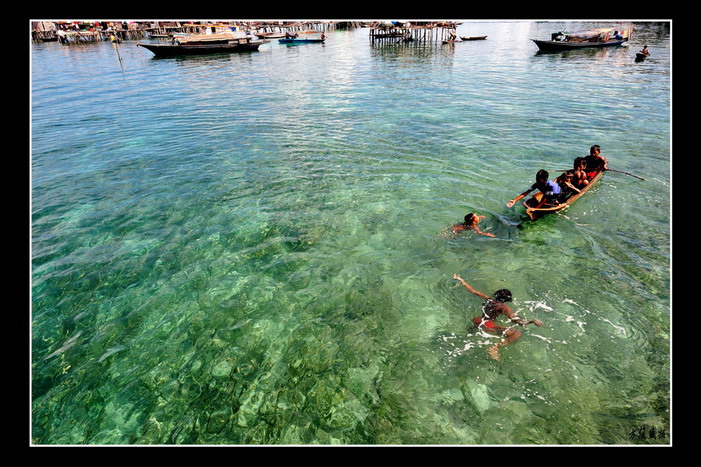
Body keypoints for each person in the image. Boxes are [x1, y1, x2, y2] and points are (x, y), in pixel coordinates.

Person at [453, 274, 543, 360]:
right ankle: (495, 348)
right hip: (487, 324)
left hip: (477, 320)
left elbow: (473, 291)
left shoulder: (489, 299)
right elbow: (517, 321)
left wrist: (461, 280)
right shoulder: (504, 308)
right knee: (516, 333)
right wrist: (532, 321)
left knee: (468, 339)